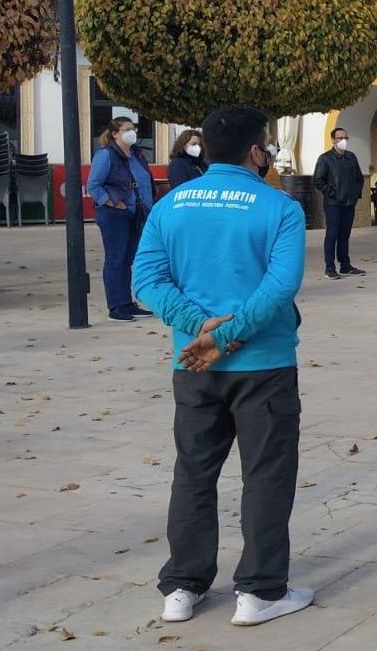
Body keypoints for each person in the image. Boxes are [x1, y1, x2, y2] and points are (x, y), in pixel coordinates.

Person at [131, 105, 312, 627]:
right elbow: (280, 288)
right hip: (264, 363)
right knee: (266, 475)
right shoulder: (279, 208)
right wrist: (227, 334)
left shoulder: (171, 204)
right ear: (257, 151)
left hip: (192, 363)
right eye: (268, 146)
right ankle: (259, 591)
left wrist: (198, 328)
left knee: (193, 471)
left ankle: (182, 587)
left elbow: (144, 280)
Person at [87, 116, 156, 321]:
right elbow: (94, 185)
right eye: (126, 129)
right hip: (114, 214)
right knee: (115, 259)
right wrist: (112, 202)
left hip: (136, 213)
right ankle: (116, 306)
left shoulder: (137, 155)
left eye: (133, 128)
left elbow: (144, 181)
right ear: (115, 133)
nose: (132, 132)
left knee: (127, 259)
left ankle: (127, 302)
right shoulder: (106, 155)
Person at [312, 127, 366, 281]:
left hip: (349, 203)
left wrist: (355, 194)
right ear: (333, 140)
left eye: (345, 137)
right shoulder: (325, 158)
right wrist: (332, 192)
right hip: (333, 203)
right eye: (339, 137)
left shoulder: (351, 157)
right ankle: (329, 268)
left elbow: (359, 178)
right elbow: (317, 180)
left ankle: (345, 265)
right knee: (332, 234)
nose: (343, 140)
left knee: (345, 235)